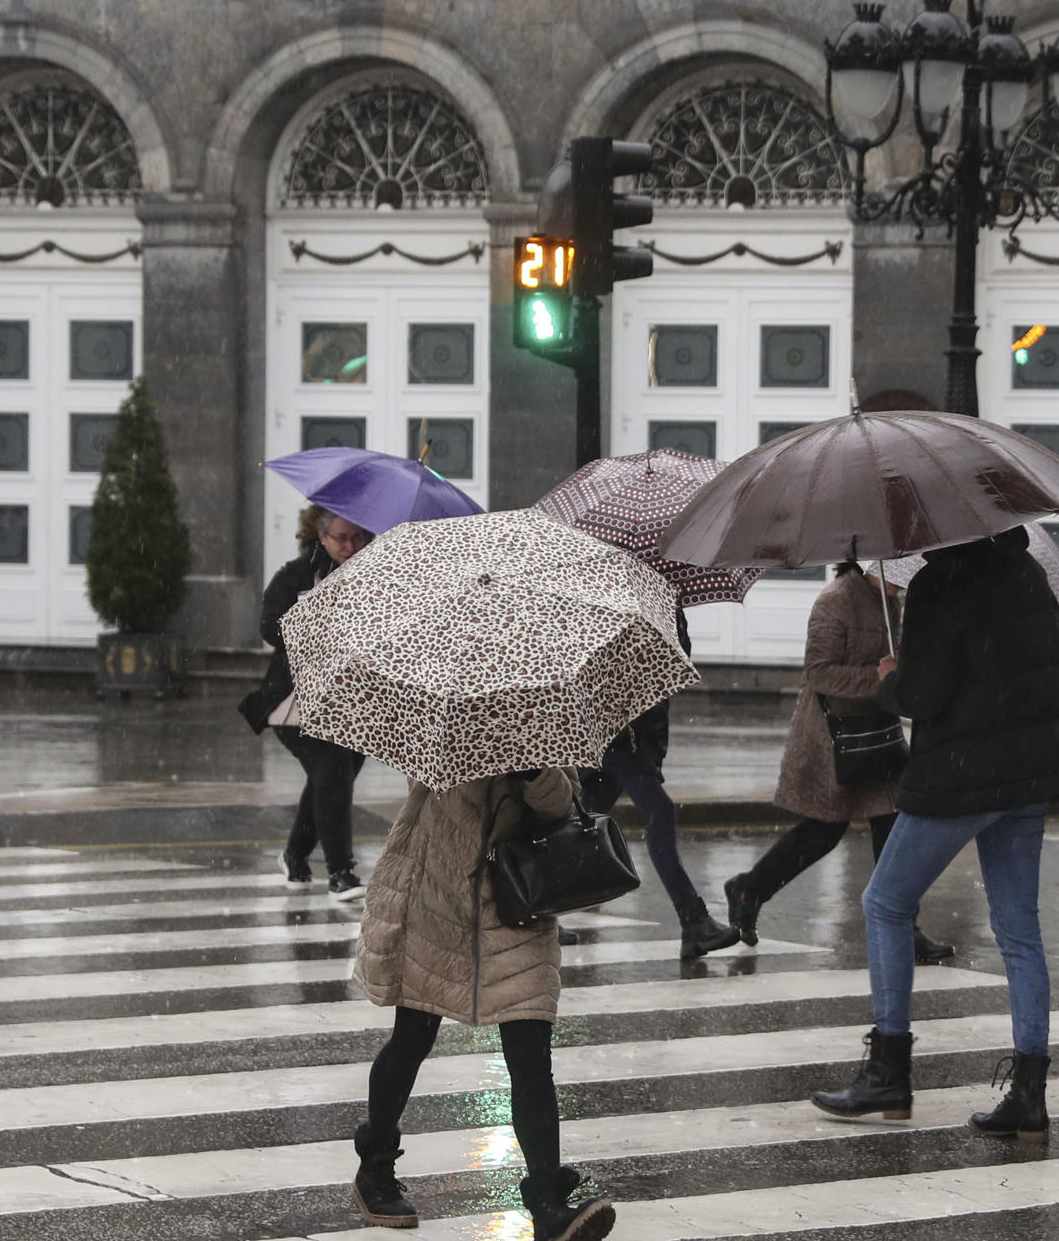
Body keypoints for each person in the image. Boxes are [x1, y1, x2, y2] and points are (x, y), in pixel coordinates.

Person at [812, 527, 1059, 1142]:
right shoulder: (1028, 575)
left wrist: (890, 677)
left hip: (964, 774)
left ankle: (889, 1070)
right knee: (1019, 930)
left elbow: (923, 695)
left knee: (884, 903)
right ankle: (1029, 1097)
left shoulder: (941, 582)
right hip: (1032, 772)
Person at [349, 765, 615, 1241]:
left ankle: (548, 1203)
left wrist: (533, 773)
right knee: (411, 1039)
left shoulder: (539, 726)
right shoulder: (444, 721)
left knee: (531, 1055)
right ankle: (375, 1167)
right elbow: (433, 794)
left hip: (517, 902)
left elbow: (561, 805)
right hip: (435, 898)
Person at [724, 561, 953, 964]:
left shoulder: (889, 601)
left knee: (892, 823)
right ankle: (750, 887)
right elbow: (820, 674)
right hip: (835, 738)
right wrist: (880, 678)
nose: (902, 582)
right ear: (868, 561)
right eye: (895, 573)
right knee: (824, 830)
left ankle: (904, 927)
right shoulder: (835, 601)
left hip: (876, 733)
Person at [579, 604, 738, 960]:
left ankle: (537, 909)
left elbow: (677, 665)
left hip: (636, 735)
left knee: (583, 822)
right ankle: (693, 920)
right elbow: (606, 669)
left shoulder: (664, 600)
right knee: (659, 813)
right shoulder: (622, 601)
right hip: (622, 736)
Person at [239, 504, 373, 901]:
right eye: (342, 538)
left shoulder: (373, 576)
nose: (351, 546)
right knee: (331, 770)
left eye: (359, 537)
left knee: (334, 776)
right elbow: (269, 627)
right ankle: (341, 872)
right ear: (322, 536)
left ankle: (295, 854)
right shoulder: (296, 575)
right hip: (295, 700)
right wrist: (316, 617)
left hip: (352, 697)